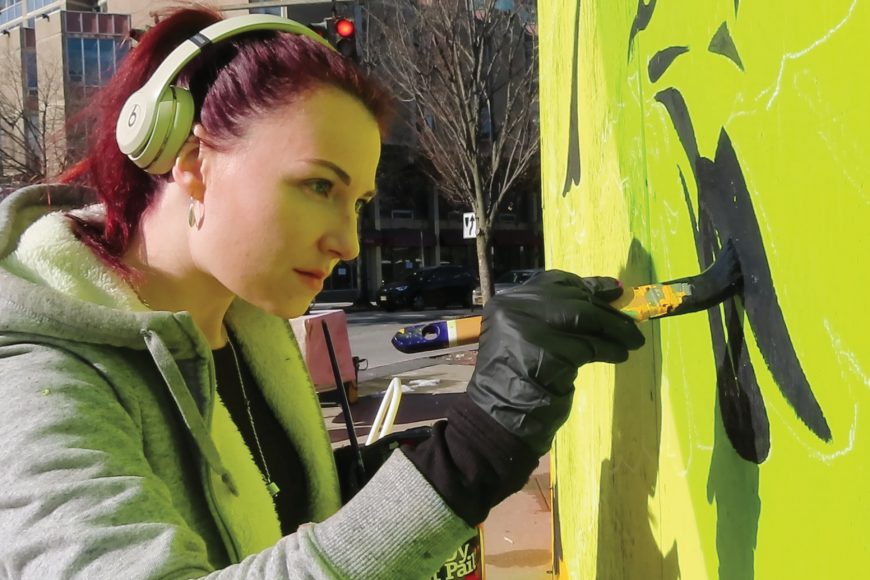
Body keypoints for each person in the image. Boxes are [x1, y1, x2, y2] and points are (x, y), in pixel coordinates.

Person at [0, 7, 645, 579]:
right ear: (194, 164)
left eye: (359, 201)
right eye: (318, 186)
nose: (348, 242)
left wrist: (388, 476)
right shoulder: (37, 381)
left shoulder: (247, 323)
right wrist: (472, 453)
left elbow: (271, 511)